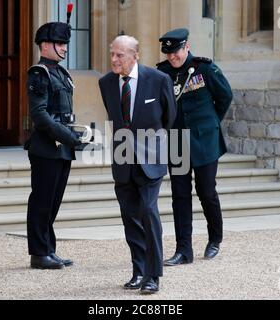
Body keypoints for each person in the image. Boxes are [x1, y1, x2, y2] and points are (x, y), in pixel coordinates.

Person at [98, 36, 176, 294]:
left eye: (120, 55)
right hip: (122, 159)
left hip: (151, 158)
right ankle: (138, 270)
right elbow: (115, 118)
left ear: (135, 55)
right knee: (130, 217)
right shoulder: (106, 83)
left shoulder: (158, 80)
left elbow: (169, 118)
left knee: (148, 210)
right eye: (112, 54)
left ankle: (153, 275)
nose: (114, 60)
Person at [157, 28, 233, 266]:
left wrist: (210, 124)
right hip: (177, 142)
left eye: (176, 51)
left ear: (186, 46)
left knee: (206, 191)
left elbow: (225, 97)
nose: (172, 57)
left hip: (204, 141)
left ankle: (215, 239)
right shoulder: (162, 73)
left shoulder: (204, 69)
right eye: (168, 53)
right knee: (180, 196)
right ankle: (183, 250)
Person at [25, 22, 82, 269]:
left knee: (54, 201)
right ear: (45, 45)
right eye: (60, 44)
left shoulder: (61, 73)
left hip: (62, 147)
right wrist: (66, 136)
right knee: (42, 200)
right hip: (46, 147)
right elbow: (40, 114)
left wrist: (75, 135)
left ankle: (49, 249)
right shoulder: (40, 73)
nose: (65, 49)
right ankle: (39, 253)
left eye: (65, 44)